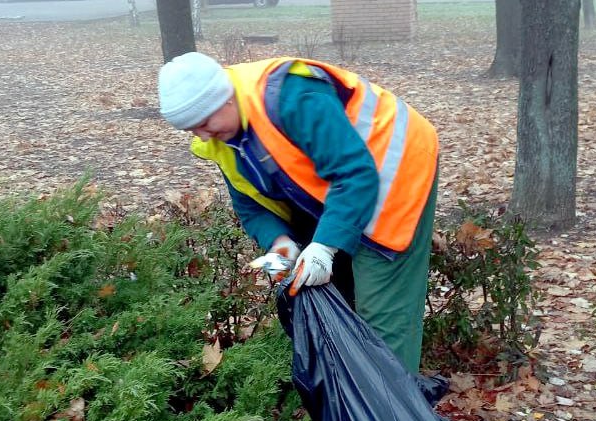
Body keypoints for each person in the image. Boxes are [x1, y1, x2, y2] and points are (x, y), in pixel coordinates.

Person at [157, 52, 439, 374]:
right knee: (331, 296)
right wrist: (280, 242)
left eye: (205, 123)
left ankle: (394, 418)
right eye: (192, 131)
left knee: (382, 319)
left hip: (395, 172)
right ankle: (352, 398)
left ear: (225, 100)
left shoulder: (292, 97)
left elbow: (354, 175)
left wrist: (325, 246)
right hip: (336, 190)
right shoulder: (222, 139)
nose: (204, 136)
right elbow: (249, 204)